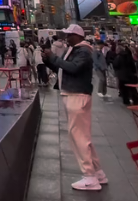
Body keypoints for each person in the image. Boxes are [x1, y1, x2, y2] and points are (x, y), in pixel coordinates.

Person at [43, 24, 106, 191]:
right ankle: (97, 172)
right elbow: (63, 69)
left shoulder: (83, 51)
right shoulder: (74, 50)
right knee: (83, 137)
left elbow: (73, 68)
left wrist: (54, 58)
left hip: (77, 95)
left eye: (70, 35)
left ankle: (89, 176)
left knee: (78, 137)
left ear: (78, 36)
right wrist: (49, 60)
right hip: (73, 93)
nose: (67, 37)